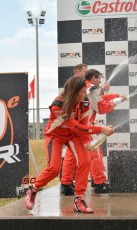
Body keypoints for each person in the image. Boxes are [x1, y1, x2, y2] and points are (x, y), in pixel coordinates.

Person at [25, 76, 114, 213]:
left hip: (74, 135)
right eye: (83, 92)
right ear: (74, 91)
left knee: (85, 160)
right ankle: (33, 189)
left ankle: (79, 200)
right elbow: (76, 127)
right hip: (56, 136)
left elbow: (83, 125)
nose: (86, 94)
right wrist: (101, 129)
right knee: (54, 169)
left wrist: (87, 142)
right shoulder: (57, 105)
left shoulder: (85, 102)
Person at [61, 69, 127, 194]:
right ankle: (99, 184)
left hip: (73, 125)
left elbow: (100, 98)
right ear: (92, 78)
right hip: (85, 125)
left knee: (71, 156)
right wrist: (118, 100)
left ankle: (66, 184)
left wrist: (116, 96)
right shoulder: (93, 88)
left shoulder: (82, 87)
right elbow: (101, 107)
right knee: (95, 153)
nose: (100, 80)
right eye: (98, 78)